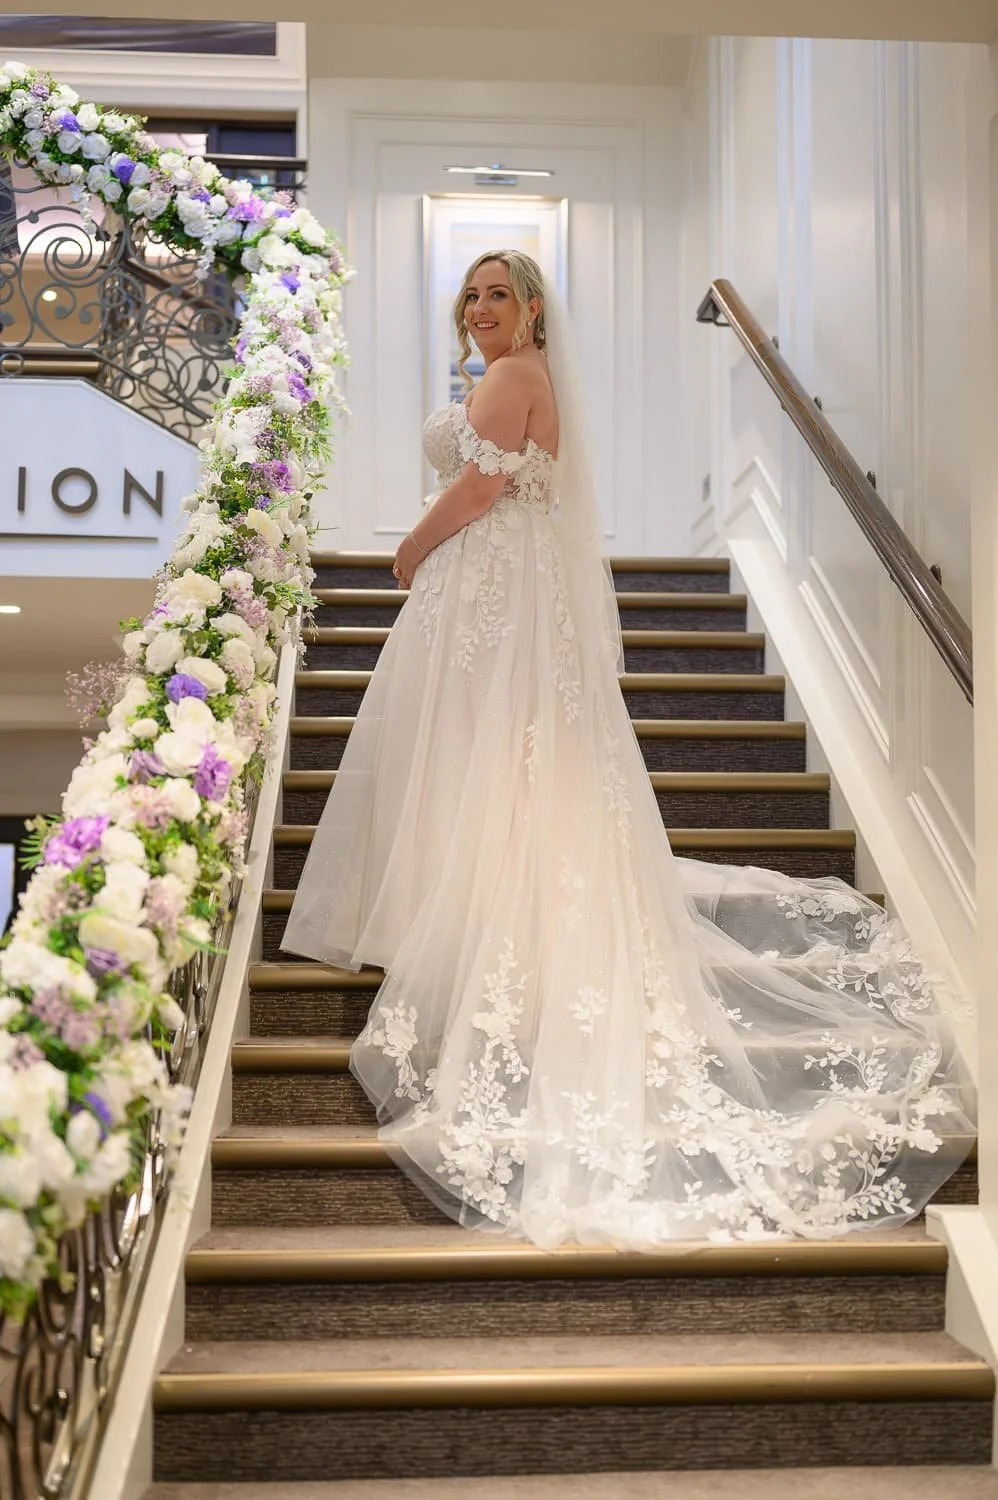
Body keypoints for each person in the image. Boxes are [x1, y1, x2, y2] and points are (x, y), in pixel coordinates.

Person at [284, 249, 974, 1246]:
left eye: (498, 293)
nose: (479, 307)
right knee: (489, 760)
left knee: (493, 755)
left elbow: (478, 490)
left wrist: (409, 546)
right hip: (497, 587)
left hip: (492, 584)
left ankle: (480, 922)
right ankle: (462, 907)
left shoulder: (514, 376)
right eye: (470, 294)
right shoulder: (514, 375)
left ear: (532, 308)